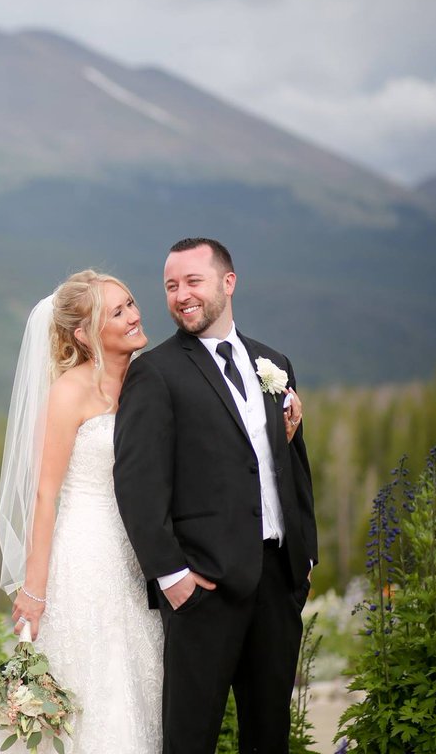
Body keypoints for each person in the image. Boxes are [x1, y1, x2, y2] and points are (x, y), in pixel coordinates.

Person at [0, 268, 304, 754]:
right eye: (117, 312)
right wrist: (33, 588)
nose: (135, 315)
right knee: (96, 684)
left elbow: (208, 456)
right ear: (83, 332)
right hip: (87, 556)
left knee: (148, 686)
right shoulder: (69, 392)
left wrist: (275, 437)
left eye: (131, 303)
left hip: (145, 557)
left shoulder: (153, 375)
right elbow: (46, 495)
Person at [113, 238, 317, 754]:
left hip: (278, 581)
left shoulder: (275, 363)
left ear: (228, 282)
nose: (181, 295)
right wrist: (172, 577)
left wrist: (305, 557)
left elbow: (292, 465)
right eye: (171, 286)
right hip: (203, 587)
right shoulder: (154, 372)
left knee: (270, 734)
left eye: (192, 282)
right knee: (190, 738)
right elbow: (137, 482)